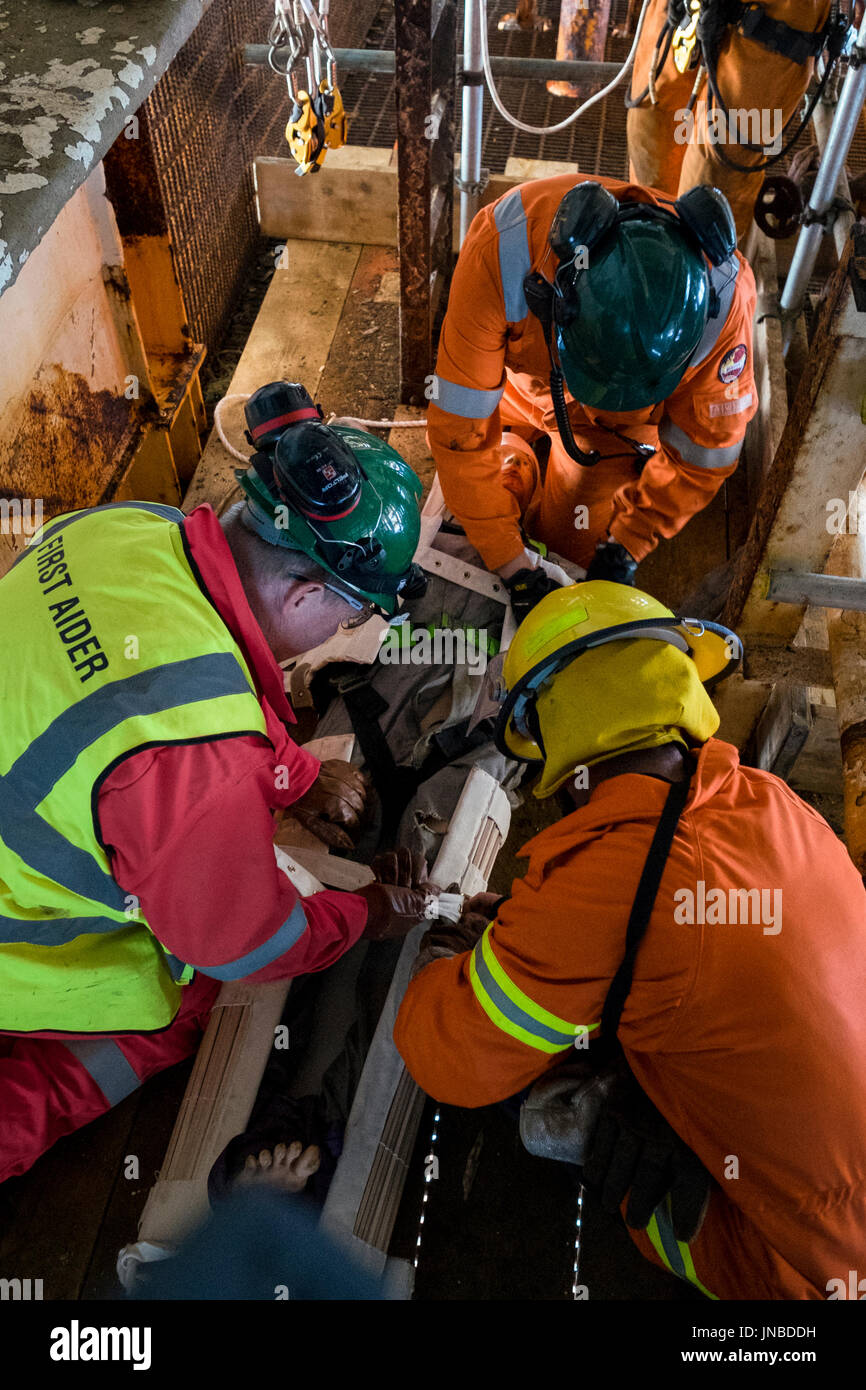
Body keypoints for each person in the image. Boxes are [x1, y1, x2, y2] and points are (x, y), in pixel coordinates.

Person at [0, 382, 434, 1183]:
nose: (334, 637)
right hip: (16, 936)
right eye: (343, 621)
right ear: (306, 593)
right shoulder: (192, 766)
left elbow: (200, 668)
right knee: (170, 1005)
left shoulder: (133, 527)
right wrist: (366, 914)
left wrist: (295, 775)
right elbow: (242, 942)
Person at [394, 581, 866, 1299]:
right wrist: (539, 937)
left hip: (807, 1270)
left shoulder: (610, 878)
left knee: (544, 1113)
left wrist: (449, 953)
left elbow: (448, 1058)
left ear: (556, 743)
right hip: (838, 1179)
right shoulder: (774, 804)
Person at [427, 172, 757, 618]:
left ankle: (543, 486)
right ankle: (517, 461)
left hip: (614, 431)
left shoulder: (724, 306)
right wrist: (513, 567)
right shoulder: (504, 249)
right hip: (516, 384)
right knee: (493, 483)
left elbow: (705, 456)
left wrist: (627, 543)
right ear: (555, 300)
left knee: (571, 545)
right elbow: (459, 436)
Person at [627, 0, 838, 240]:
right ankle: (642, 246)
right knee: (651, 133)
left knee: (714, 182)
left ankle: (694, 270)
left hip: (776, 17)